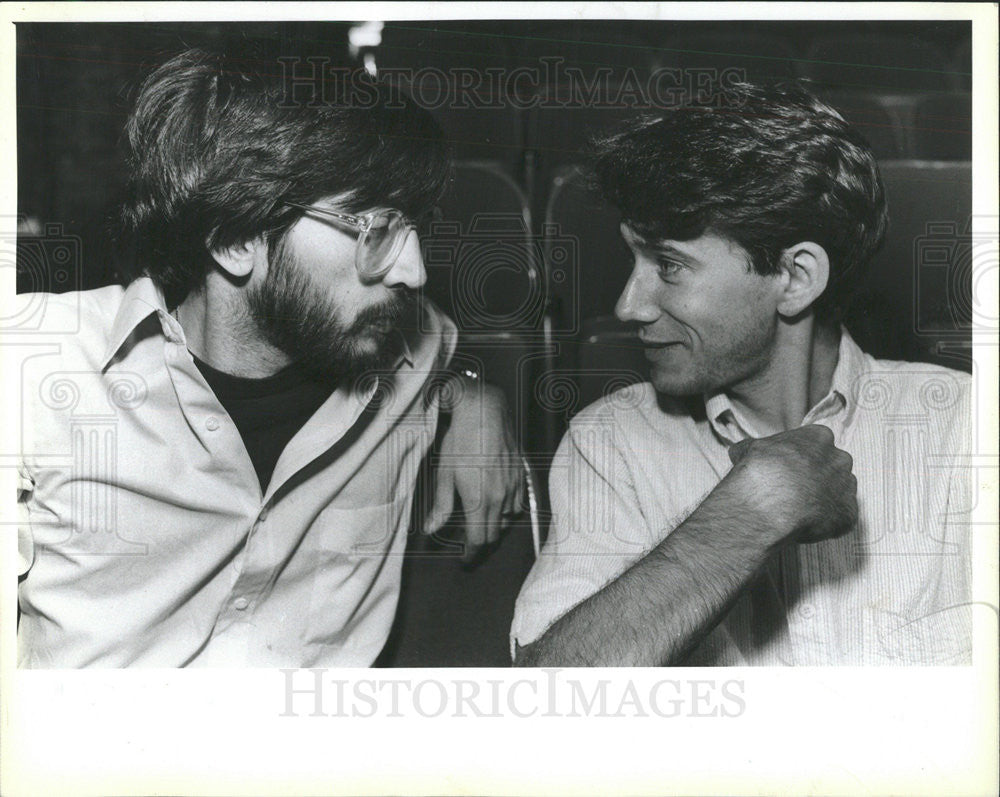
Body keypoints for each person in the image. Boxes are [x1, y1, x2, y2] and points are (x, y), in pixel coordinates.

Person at [15, 47, 523, 667]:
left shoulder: (407, 346)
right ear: (236, 239)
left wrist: (471, 390)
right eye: (375, 231)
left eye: (416, 226)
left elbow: (440, 351)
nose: (413, 272)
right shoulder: (38, 367)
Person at [512, 81, 973, 666]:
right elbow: (544, 702)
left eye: (670, 264)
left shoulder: (965, 428)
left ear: (796, 277)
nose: (629, 305)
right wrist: (744, 517)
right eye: (635, 259)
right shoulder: (612, 444)